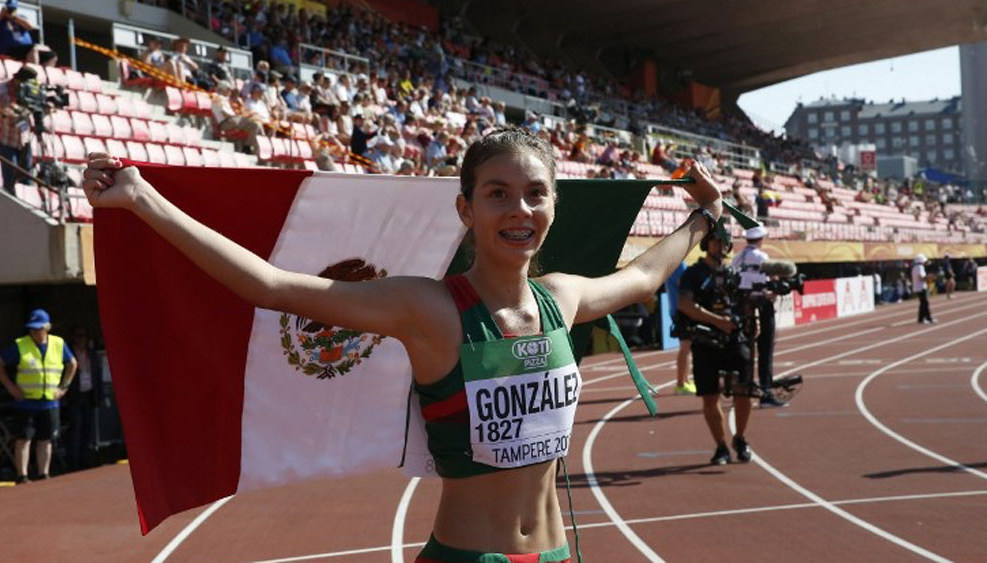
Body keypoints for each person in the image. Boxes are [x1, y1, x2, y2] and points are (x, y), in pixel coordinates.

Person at [81, 130, 724, 561]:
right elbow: (272, 286)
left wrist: (703, 218)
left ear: (554, 204)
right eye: (497, 194)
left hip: (556, 554)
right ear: (466, 210)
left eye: (535, 193)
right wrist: (142, 201)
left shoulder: (564, 297)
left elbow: (642, 276)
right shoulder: (429, 309)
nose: (518, 209)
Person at [677, 231, 753, 465]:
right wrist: (717, 321)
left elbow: (747, 302)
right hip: (705, 342)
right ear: (706, 244)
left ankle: (740, 438)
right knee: (710, 396)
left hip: (734, 339)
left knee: (745, 391)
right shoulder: (693, 273)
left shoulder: (734, 273)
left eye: (725, 242)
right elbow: (685, 304)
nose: (721, 245)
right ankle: (720, 446)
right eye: (716, 240)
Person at [0, 309, 78, 483]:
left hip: (49, 402)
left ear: (47, 327)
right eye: (32, 329)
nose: (35, 332)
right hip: (26, 402)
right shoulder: (21, 344)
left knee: (45, 439)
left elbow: (72, 364)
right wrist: (11, 387)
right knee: (23, 439)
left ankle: (43, 474)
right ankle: (22, 476)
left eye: (38, 328)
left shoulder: (58, 344)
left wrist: (64, 387)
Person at [732, 226, 784, 407]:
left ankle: (744, 389)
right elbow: (773, 280)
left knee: (744, 350)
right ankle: (765, 391)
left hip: (742, 306)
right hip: (762, 305)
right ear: (760, 239)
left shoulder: (738, 257)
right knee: (765, 349)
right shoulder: (763, 257)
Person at [0, 66, 36, 196]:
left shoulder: (31, 91)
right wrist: (3, 110)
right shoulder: (3, 89)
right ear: (18, 80)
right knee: (10, 179)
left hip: (24, 140)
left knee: (28, 179)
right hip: (5, 139)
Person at [65, 326, 104, 471]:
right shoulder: (69, 353)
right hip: (75, 396)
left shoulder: (92, 354)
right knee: (75, 428)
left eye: (84, 336)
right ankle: (72, 460)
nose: (81, 339)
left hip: (89, 394)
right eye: (78, 336)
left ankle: (84, 458)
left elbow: (97, 376)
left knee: (87, 429)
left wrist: (99, 396)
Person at [667, 263, 696, 395]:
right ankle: (680, 384)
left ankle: (686, 380)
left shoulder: (674, 264)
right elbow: (685, 286)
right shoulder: (678, 266)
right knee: (685, 347)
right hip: (682, 311)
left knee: (687, 347)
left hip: (679, 309)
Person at [911, 254, 934, 324]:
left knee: (923, 303)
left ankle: (923, 318)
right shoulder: (919, 267)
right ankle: (927, 318)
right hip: (921, 288)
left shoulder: (915, 267)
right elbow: (921, 278)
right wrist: (929, 277)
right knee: (924, 303)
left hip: (918, 287)